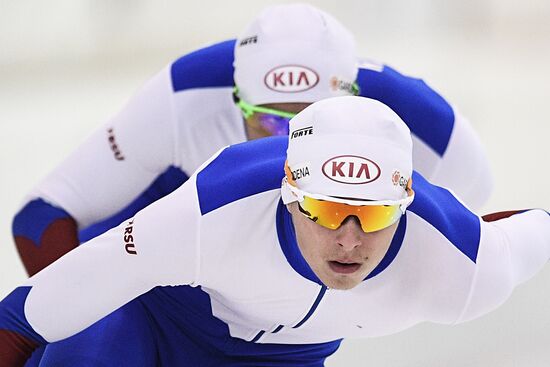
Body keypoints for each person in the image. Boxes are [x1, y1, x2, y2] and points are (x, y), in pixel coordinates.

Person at [0, 96, 548, 367]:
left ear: (405, 203)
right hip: (154, 318)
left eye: (377, 214)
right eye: (329, 211)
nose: (351, 241)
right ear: (289, 193)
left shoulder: (465, 267)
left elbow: (532, 232)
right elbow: (27, 314)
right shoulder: (215, 208)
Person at [12, 3, 492, 278]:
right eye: (269, 121)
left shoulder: (428, 129)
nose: (290, 141)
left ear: (355, 99)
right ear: (236, 98)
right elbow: (39, 219)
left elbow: (470, 219)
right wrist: (77, 317)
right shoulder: (184, 96)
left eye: (311, 121)